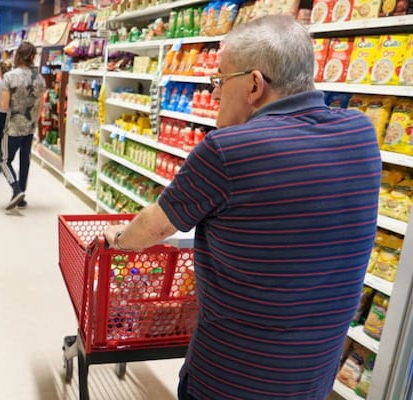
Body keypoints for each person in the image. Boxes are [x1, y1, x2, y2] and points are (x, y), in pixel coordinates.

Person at [103, 15, 381, 400]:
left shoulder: (227, 151)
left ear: (254, 84)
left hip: (232, 378)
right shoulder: (361, 133)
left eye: (219, 81)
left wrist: (120, 240)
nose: (214, 94)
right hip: (312, 376)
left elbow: (154, 227)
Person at [0, 41, 46, 210]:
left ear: (18, 55)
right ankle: (21, 197)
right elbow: (41, 106)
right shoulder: (39, 78)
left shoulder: (9, 77)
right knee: (24, 161)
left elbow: (4, 106)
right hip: (30, 126)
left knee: (4, 161)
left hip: (12, 127)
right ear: (33, 57)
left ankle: (16, 188)